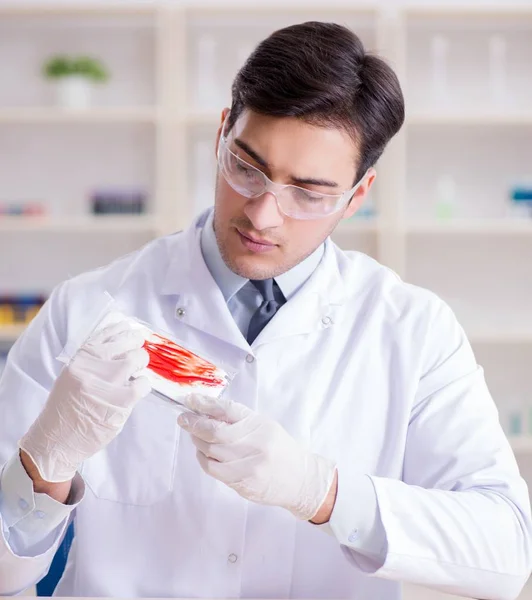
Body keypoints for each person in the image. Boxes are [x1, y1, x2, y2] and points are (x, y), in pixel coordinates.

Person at [0, 21, 530, 600]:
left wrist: (322, 491)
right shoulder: (86, 309)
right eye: (247, 168)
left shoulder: (412, 330)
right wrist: (44, 466)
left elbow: (504, 552)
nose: (263, 215)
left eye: (309, 192)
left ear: (357, 195)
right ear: (222, 133)